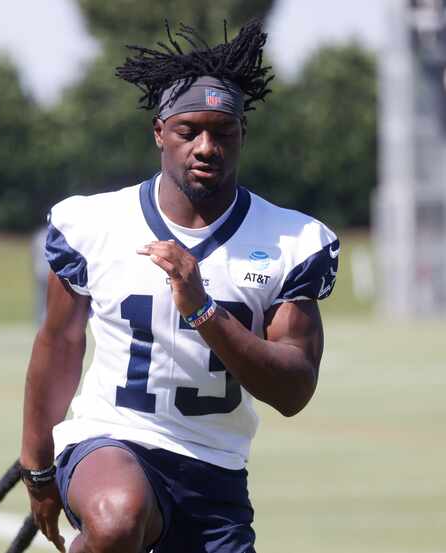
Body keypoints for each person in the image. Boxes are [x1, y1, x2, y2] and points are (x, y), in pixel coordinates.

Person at [20, 20, 339, 553]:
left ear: (243, 136)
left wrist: (203, 310)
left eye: (224, 132)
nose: (207, 147)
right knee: (119, 518)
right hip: (113, 441)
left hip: (215, 470)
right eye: (190, 131)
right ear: (160, 132)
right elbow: (59, 345)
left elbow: (294, 390)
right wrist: (36, 469)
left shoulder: (293, 240)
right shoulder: (93, 223)